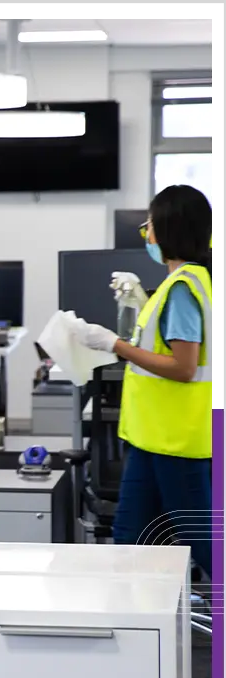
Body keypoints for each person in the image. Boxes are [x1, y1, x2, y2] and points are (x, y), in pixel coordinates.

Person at [73, 185, 213, 577]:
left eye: (148, 225)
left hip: (176, 440)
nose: (146, 233)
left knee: (204, 546)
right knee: (130, 538)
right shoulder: (184, 282)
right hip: (152, 437)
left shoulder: (184, 288)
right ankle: (141, 629)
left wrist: (114, 343)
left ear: (167, 229)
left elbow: (183, 366)